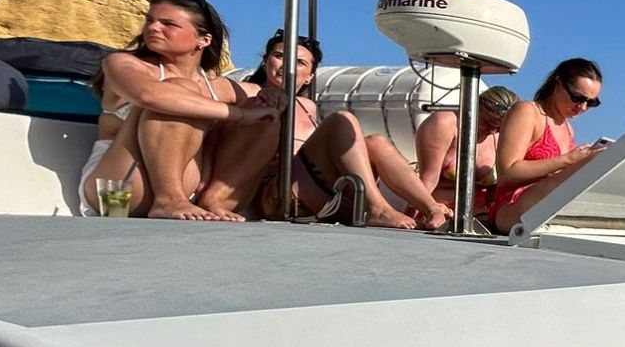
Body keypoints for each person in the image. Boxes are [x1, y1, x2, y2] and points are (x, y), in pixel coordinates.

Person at [148, 31, 447, 227]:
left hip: (323, 192)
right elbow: (203, 120)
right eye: (279, 56)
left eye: (300, 62)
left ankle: (431, 208)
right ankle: (377, 206)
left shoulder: (310, 108)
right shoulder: (243, 90)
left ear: (310, 74)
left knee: (377, 141)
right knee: (343, 120)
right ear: (266, 61)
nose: (287, 65)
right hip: (276, 195)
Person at [81, 0, 274, 215]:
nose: (153, 28)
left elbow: (259, 99)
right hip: (116, 196)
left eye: (168, 24)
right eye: (150, 21)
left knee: (265, 115)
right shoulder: (123, 64)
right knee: (181, 91)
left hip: (188, 196)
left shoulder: (218, 86)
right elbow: (148, 95)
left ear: (204, 39)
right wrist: (238, 114)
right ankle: (168, 199)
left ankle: (214, 201)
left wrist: (273, 97)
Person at [487, 58, 609, 234]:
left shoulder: (568, 128)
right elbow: (507, 173)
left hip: (541, 207)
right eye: (577, 98)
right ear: (557, 83)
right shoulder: (528, 112)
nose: (582, 107)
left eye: (591, 102)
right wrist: (569, 160)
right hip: (512, 207)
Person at [372, 84, 519, 221]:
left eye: (498, 128)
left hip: (480, 216)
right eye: (487, 122)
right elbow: (428, 179)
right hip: (442, 210)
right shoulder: (446, 123)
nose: (492, 131)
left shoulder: (499, 137)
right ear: (476, 106)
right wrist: (412, 216)